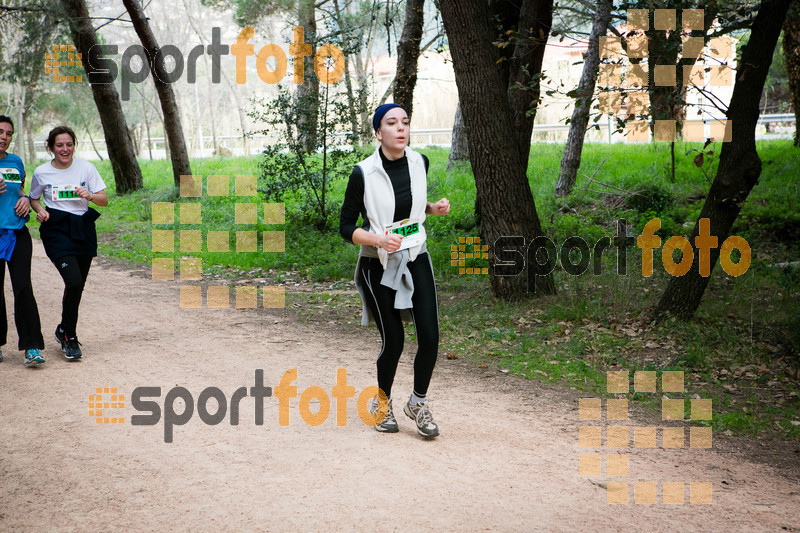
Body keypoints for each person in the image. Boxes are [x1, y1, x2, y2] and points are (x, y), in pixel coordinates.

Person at [339, 103, 450, 438]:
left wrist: (431, 208)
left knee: (430, 335)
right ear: (378, 132)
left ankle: (418, 403)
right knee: (395, 340)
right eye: (392, 123)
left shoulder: (420, 161)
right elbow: (346, 227)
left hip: (416, 255)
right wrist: (377, 239)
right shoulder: (363, 173)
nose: (401, 128)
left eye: (405, 122)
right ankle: (382, 403)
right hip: (379, 263)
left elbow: (410, 206)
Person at [29, 126, 108, 360]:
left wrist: (90, 195)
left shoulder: (87, 168)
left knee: (78, 285)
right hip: (56, 230)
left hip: (82, 228)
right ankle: (69, 338)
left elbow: (103, 200)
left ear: (74, 145)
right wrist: (40, 211)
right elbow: (33, 198)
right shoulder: (42, 172)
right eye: (59, 145)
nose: (65, 149)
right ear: (51, 147)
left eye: (69, 144)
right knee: (73, 281)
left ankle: (63, 328)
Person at [0, 116, 46, 366]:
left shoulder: (16, 162)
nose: (3, 137)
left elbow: (20, 190)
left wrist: (26, 198)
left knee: (23, 288)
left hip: (17, 234)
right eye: (0, 131)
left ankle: (32, 347)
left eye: (8, 133)